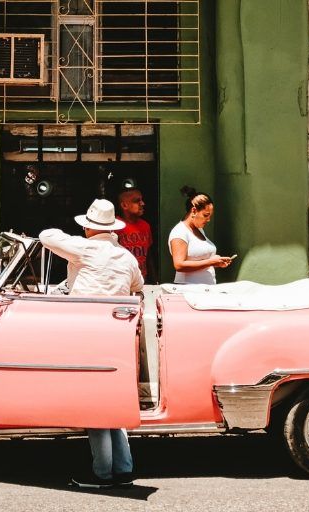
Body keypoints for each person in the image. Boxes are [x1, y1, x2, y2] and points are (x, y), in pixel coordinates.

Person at [38, 198, 143, 489]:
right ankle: (123, 468)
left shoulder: (83, 248)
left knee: (94, 405)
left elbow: (47, 236)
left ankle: (102, 473)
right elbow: (138, 285)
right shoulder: (126, 257)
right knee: (114, 403)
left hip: (87, 333)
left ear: (88, 228)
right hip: (119, 333)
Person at [168, 186, 232, 284]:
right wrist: (211, 262)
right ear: (193, 211)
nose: (208, 219)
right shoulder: (179, 232)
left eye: (210, 216)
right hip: (189, 290)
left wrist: (217, 262)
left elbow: (201, 259)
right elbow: (179, 265)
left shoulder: (199, 230)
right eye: (206, 215)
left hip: (205, 290)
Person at [115, 187, 157, 283]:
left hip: (142, 279)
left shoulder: (145, 226)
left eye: (142, 200)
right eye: (137, 201)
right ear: (124, 205)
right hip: (122, 280)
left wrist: (155, 280)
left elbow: (148, 255)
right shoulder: (115, 226)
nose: (142, 204)